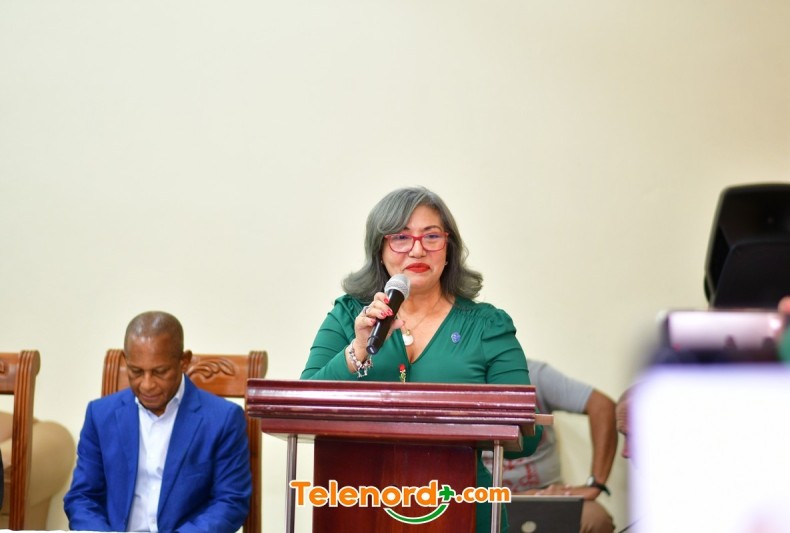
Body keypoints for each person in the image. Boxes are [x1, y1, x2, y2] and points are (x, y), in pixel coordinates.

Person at [300, 186, 542, 532]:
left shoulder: (488, 326)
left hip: (462, 509)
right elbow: (303, 408)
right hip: (359, 507)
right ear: (379, 249)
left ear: (449, 248)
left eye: (431, 236)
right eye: (400, 237)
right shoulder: (349, 316)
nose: (417, 249)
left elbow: (526, 438)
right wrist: (357, 350)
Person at [63, 311, 251, 533]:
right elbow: (82, 497)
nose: (147, 385)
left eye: (160, 372)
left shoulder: (223, 419)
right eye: (136, 371)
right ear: (125, 361)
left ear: (184, 361)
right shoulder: (100, 415)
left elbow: (230, 502)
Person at [482, 359, 617, 533]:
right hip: (482, 498)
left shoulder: (534, 375)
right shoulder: (456, 379)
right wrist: (516, 497)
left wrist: (595, 484)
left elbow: (602, 406)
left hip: (547, 495)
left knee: (595, 519)